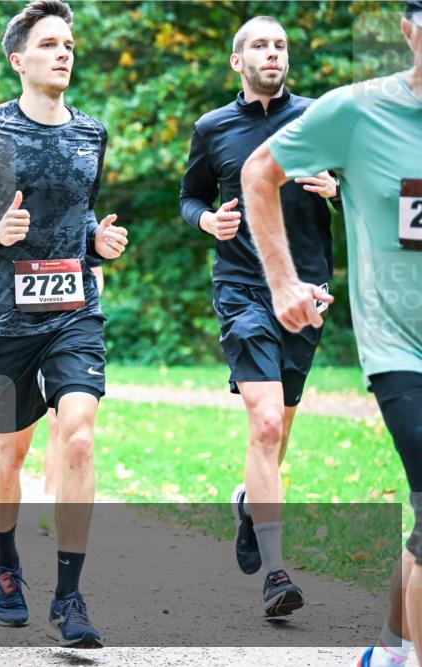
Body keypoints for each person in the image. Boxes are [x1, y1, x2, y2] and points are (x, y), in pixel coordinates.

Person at [0, 0, 128, 647]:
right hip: (1, 317)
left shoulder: (91, 133)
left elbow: (81, 212)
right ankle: (5, 558)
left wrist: (98, 237)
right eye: (49, 44)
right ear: (19, 60)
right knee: (9, 452)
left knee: (77, 437)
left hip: (73, 310)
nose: (64, 52)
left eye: (69, 43)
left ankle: (70, 595)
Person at [241, 2, 422, 663]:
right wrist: (283, 281)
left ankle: (392, 648)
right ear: (408, 30)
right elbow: (258, 172)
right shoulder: (357, 112)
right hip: (400, 345)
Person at [179, 15, 341, 617]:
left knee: (281, 430)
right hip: (244, 287)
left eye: (279, 46)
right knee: (267, 424)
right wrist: (205, 220)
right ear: (236, 60)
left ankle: (249, 500)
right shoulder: (213, 127)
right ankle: (277, 573)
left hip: (307, 291)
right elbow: (189, 195)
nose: (272, 54)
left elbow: (367, 183)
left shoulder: (319, 117)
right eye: (259, 46)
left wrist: (336, 187)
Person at [0, 257, 105, 496]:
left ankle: (51, 497)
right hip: (12, 337)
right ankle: (4, 530)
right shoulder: (1, 223)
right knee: (9, 449)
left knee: (68, 426)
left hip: (65, 333)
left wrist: (66, 304)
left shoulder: (74, 220)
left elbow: (96, 276)